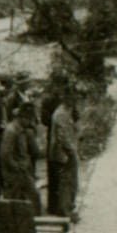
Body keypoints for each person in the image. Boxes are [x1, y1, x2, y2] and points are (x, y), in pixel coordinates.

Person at [0, 92, 39, 205]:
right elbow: (5, 155)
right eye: (28, 119)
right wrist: (17, 167)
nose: (30, 122)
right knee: (13, 202)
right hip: (14, 174)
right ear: (21, 117)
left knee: (33, 197)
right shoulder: (11, 131)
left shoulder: (21, 130)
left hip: (22, 172)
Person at [45, 89, 81, 220]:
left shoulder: (68, 112)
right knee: (66, 183)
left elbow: (74, 131)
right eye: (73, 99)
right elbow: (63, 136)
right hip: (63, 154)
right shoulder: (61, 114)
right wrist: (71, 152)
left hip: (68, 151)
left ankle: (68, 208)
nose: (75, 101)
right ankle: (66, 211)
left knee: (70, 182)